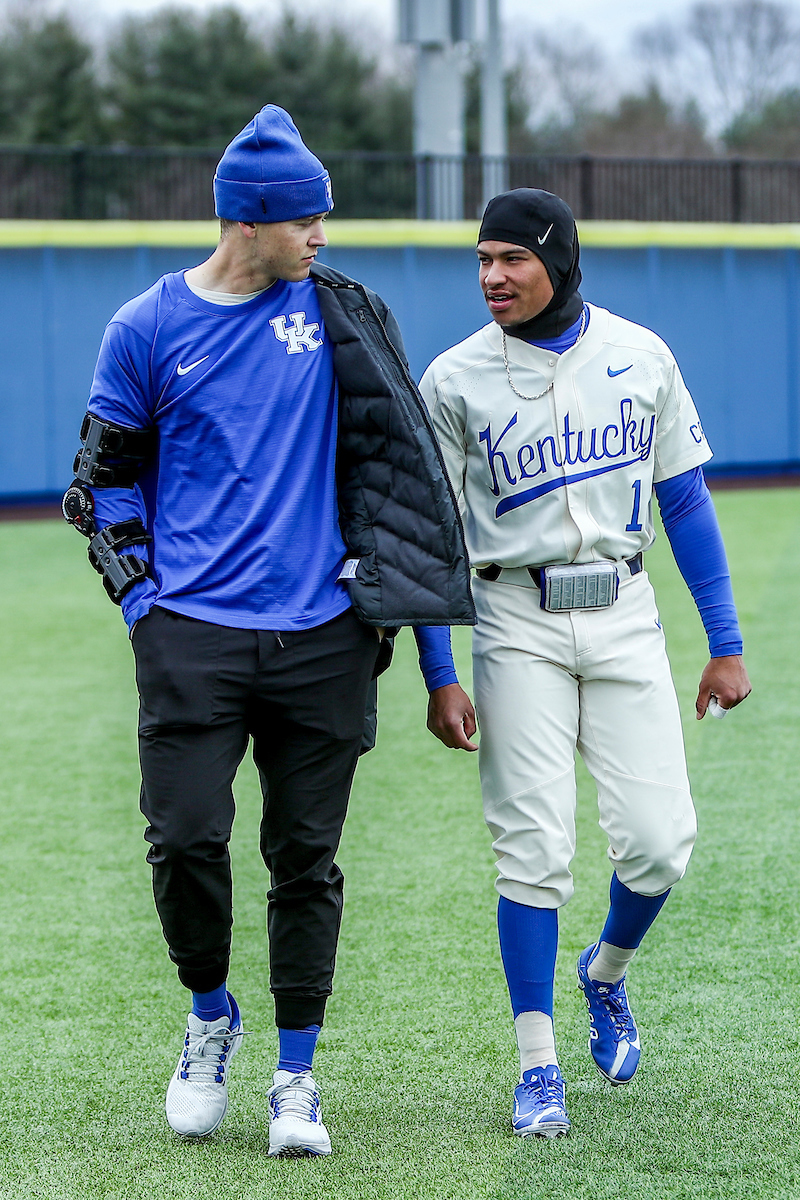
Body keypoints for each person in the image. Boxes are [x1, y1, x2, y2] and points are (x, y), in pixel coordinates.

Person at [63, 105, 473, 1155]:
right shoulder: (145, 328)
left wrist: (425, 648)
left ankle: (296, 1075)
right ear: (250, 222)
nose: (323, 236)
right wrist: (146, 606)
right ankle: (209, 1017)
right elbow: (100, 489)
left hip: (325, 643)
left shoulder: (342, 314)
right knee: (186, 840)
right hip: (189, 637)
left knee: (306, 860)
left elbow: (408, 483)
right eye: (308, 220)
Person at [416, 188, 751, 1138]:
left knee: (659, 840)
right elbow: (435, 535)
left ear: (558, 261)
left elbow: (683, 502)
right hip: (511, 617)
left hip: (624, 612)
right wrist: (439, 668)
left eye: (511, 258)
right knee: (534, 848)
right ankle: (537, 1066)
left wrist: (724, 643)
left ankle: (604, 972)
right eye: (481, 259)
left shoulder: (640, 355)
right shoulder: (454, 379)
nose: (491, 276)